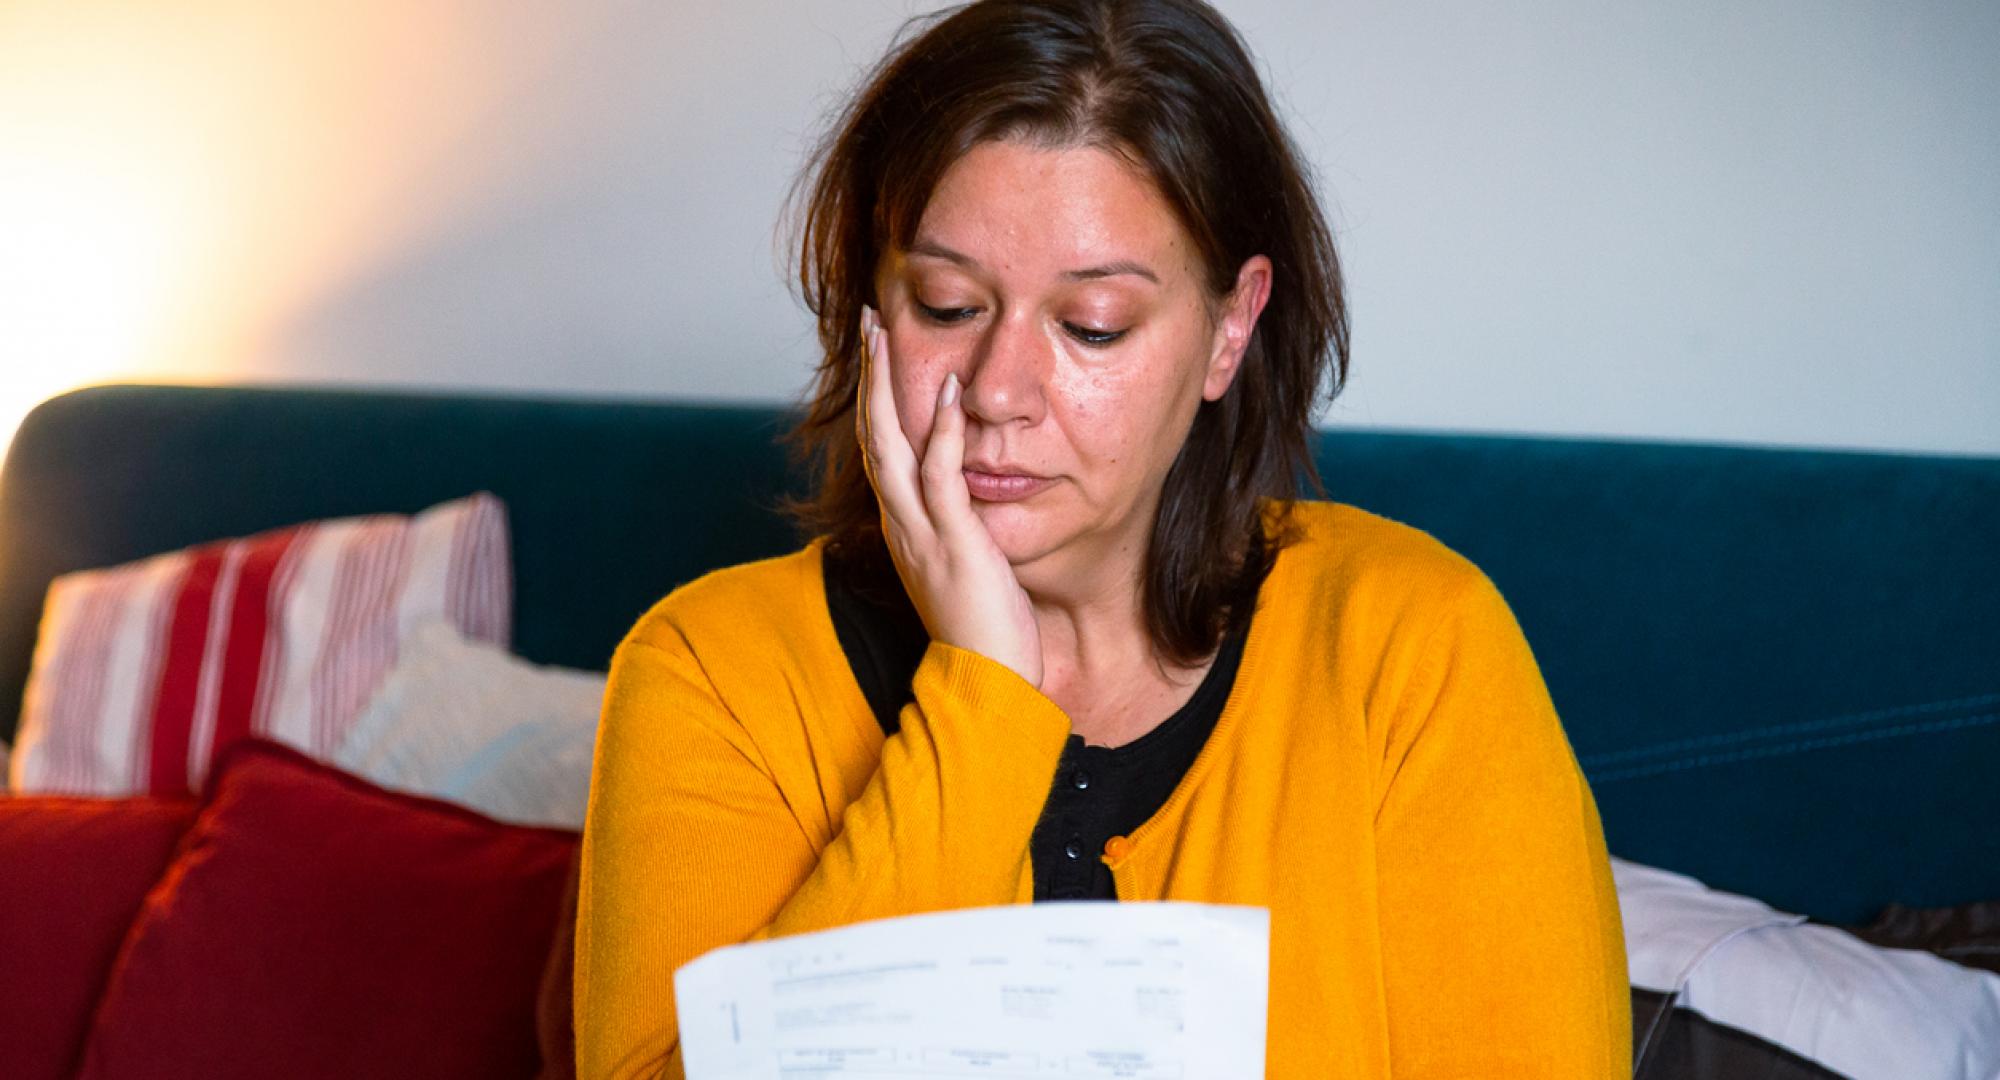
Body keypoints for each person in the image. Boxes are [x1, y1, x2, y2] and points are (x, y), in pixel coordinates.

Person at [574, 0, 1630, 1075]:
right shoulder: (708, 674)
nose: (996, 391)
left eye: (1091, 326)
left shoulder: (1408, 650)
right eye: (945, 305)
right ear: (870, 308)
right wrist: (982, 694)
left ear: (1228, 330)